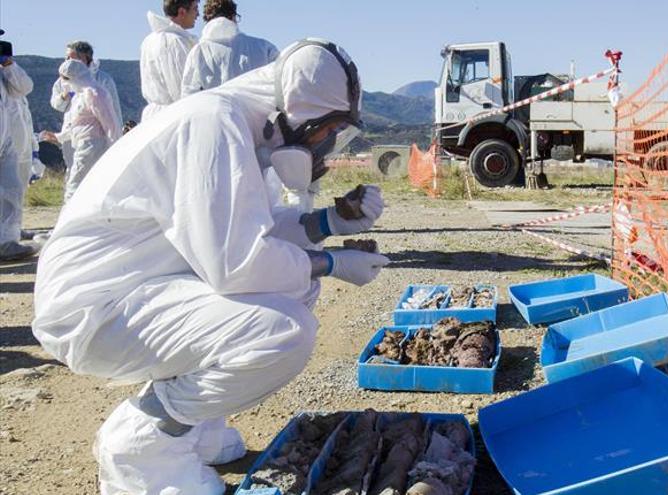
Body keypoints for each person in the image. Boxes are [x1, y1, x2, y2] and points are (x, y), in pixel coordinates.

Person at [33, 40, 388, 494]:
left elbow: (246, 229)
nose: (324, 147)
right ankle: (141, 448)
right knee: (282, 329)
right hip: (93, 307)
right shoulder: (213, 125)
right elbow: (236, 263)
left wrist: (331, 221)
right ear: (295, 114)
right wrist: (333, 263)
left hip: (137, 289)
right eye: (324, 133)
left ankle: (195, 431)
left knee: (290, 291)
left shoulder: (241, 127)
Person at [42, 60, 122, 203]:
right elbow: (77, 124)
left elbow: (111, 124)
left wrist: (115, 149)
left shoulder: (95, 94)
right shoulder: (79, 95)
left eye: (66, 78)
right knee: (81, 185)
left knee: (75, 185)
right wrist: (59, 137)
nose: (63, 82)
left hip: (93, 145)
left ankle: (70, 222)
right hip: (81, 144)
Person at [181, 0, 278, 97]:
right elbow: (280, 81)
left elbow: (188, 95)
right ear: (233, 17)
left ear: (207, 21)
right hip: (256, 111)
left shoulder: (198, 52)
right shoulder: (264, 48)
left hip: (213, 110)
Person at [50, 41, 123, 150]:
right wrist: (63, 97)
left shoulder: (103, 79)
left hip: (96, 138)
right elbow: (57, 105)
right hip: (70, 134)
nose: (68, 62)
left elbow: (114, 111)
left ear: (85, 58)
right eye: (66, 58)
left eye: (71, 58)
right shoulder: (63, 80)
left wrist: (117, 141)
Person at [0, 38, 36, 262]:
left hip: (5, 141)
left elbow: (24, 88)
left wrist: (9, 65)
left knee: (12, 189)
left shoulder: (3, 72)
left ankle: (7, 241)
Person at [140, 0, 199, 121]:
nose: (198, 14)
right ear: (182, 12)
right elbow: (183, 87)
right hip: (174, 116)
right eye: (195, 8)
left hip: (152, 119)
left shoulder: (148, 41)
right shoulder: (176, 42)